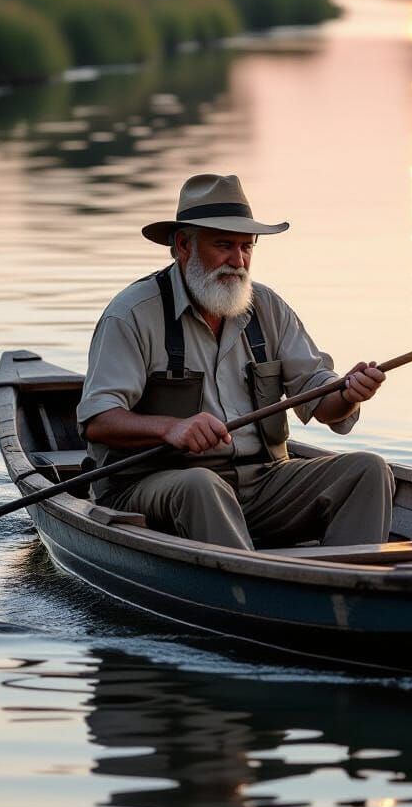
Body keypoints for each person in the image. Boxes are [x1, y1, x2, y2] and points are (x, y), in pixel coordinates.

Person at [77, 172, 393, 550]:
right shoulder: (132, 314)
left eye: (247, 247)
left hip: (261, 483)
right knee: (200, 484)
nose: (238, 261)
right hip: (152, 487)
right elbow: (98, 421)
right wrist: (170, 429)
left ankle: (352, 586)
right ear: (183, 246)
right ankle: (249, 587)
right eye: (224, 245)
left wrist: (350, 394)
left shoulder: (268, 307)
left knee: (368, 469)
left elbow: (323, 404)